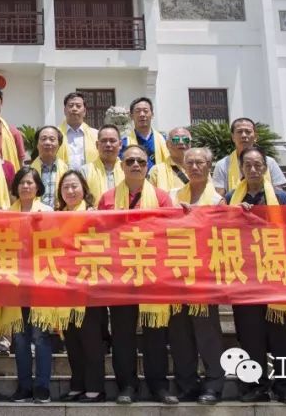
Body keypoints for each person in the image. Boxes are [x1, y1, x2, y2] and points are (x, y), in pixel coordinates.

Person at [96, 144, 178, 405]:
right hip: (120, 277)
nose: (135, 165)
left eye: (141, 162)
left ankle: (159, 387)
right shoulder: (107, 199)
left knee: (155, 334)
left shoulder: (163, 198)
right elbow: (100, 235)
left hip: (152, 275)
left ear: (148, 166)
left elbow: (169, 232)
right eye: (130, 161)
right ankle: (127, 386)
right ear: (121, 165)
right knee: (122, 335)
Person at [224, 146, 286, 404]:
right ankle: (255, 385)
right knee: (249, 335)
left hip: (274, 274)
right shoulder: (232, 197)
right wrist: (236, 215)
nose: (253, 169)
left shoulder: (280, 197)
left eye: (258, 165)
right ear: (241, 169)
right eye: (248, 165)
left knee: (280, 333)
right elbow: (222, 233)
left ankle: (285, 386)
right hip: (244, 276)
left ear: (266, 168)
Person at [167, 147, 225, 404]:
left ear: (209, 166)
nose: (194, 167)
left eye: (199, 162)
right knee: (180, 333)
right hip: (177, 273)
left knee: (207, 332)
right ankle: (187, 383)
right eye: (189, 163)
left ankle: (213, 383)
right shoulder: (172, 196)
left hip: (204, 276)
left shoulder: (217, 200)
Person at [55, 170, 106, 404]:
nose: (70, 191)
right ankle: (77, 385)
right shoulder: (55, 217)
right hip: (65, 288)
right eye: (66, 187)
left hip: (90, 288)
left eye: (75, 186)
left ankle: (95, 388)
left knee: (91, 340)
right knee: (72, 340)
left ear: (84, 189)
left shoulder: (94, 215)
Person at [8, 168, 56, 404]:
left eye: (30, 183)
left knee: (41, 337)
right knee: (19, 338)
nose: (26, 187)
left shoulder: (47, 212)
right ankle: (24, 386)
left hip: (40, 281)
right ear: (16, 187)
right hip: (16, 283)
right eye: (22, 183)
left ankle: (42, 387)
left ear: (38, 187)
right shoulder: (8, 213)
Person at [212, 117, 286, 196]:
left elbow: (278, 194)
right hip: (234, 206)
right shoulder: (222, 165)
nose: (244, 135)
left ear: (255, 137)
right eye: (239, 132)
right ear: (233, 137)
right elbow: (219, 198)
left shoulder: (270, 162)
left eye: (248, 132)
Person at [57, 91, 98, 173]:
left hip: (89, 180)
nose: (74, 109)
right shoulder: (55, 135)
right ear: (65, 110)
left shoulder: (96, 134)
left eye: (78, 106)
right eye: (71, 106)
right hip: (63, 180)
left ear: (84, 111)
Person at [128, 96, 173, 170]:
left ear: (152, 114)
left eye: (145, 111)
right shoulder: (125, 142)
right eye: (137, 111)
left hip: (160, 180)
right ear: (131, 116)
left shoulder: (165, 141)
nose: (142, 114)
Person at [85, 124, 125, 200]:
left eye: (112, 141)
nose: (108, 144)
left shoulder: (128, 169)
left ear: (120, 144)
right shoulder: (85, 171)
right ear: (97, 145)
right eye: (104, 141)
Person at [31, 125, 67, 209]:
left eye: (52, 139)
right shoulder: (28, 172)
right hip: (36, 216)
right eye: (43, 139)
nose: (47, 142)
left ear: (59, 144)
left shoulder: (67, 170)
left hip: (60, 216)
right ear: (37, 144)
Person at [149, 125, 192, 191]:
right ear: (168, 145)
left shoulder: (200, 168)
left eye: (185, 139)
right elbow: (150, 197)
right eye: (176, 140)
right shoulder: (156, 171)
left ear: (190, 144)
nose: (181, 142)